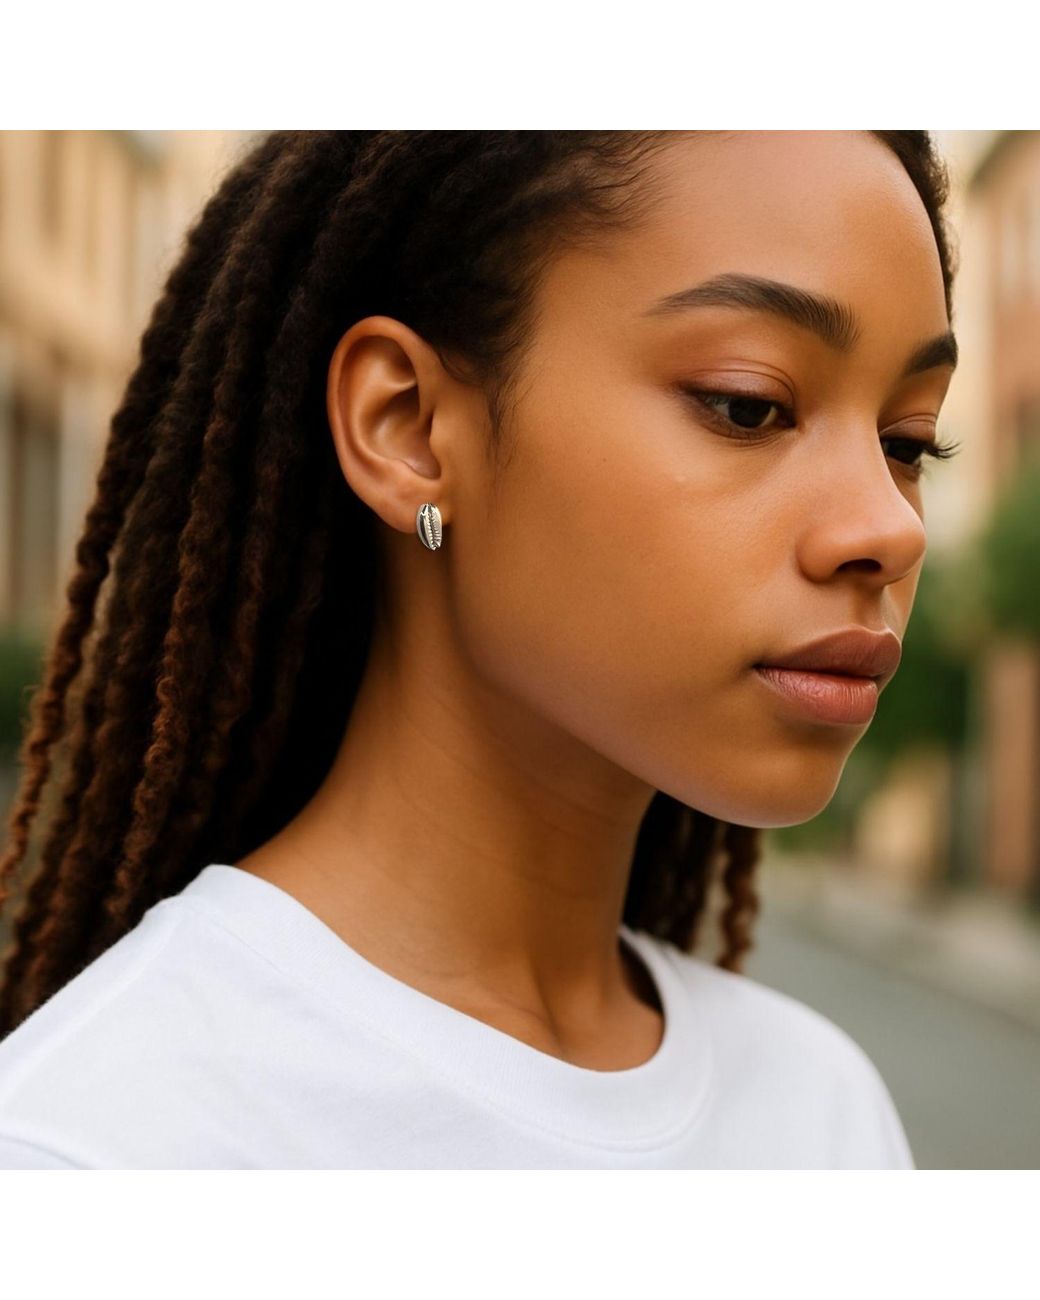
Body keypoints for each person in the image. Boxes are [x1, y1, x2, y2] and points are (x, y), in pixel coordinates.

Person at [0, 130, 959, 1168]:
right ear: (407, 427)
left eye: (905, 442)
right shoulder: (92, 1150)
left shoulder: (821, 1113)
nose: (889, 527)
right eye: (748, 404)